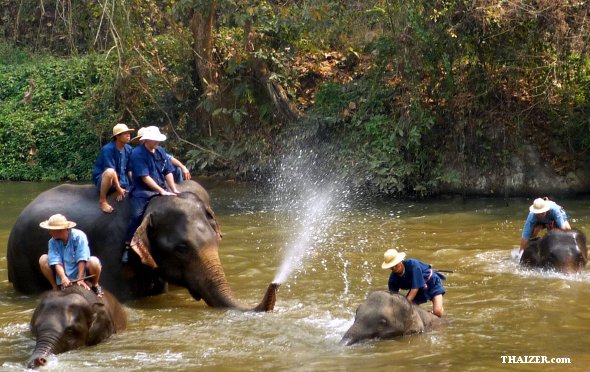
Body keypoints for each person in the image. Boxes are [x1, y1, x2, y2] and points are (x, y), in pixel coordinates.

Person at [122, 126, 180, 263]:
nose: (157, 142)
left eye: (158, 140)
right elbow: (144, 177)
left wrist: (173, 189)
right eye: (154, 140)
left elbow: (168, 171)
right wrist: (161, 191)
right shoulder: (137, 154)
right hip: (143, 191)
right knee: (136, 216)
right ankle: (127, 246)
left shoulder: (160, 151)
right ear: (146, 140)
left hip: (162, 187)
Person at [38, 214, 104, 297]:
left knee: (94, 261)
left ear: (60, 230)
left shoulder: (79, 236)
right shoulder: (52, 242)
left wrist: (80, 278)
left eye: (51, 230)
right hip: (63, 273)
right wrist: (63, 277)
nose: (49, 232)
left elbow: (82, 258)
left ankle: (95, 285)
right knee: (43, 259)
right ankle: (55, 287)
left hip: (81, 272)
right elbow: (56, 261)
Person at [382, 248, 446, 317]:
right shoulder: (392, 280)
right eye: (391, 267)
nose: (394, 268)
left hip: (431, 283)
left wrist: (405, 304)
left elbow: (415, 288)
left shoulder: (413, 264)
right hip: (418, 291)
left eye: (395, 265)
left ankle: (437, 309)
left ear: (400, 261)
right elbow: (393, 297)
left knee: (437, 312)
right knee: (408, 313)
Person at [92, 123, 135, 213]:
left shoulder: (129, 149)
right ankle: (103, 200)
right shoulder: (108, 149)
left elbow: (129, 170)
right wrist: (118, 188)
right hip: (106, 179)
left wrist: (133, 185)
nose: (128, 135)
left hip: (122, 180)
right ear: (117, 136)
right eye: (125, 133)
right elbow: (111, 171)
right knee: (110, 171)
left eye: (128, 133)